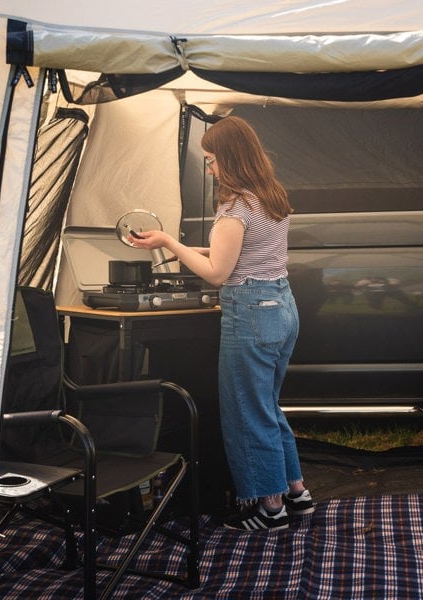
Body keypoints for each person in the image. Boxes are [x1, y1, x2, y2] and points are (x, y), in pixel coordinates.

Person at [129, 116, 314, 531]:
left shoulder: (235, 207)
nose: (209, 168)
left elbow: (216, 272)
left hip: (250, 314)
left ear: (228, 158)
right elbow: (229, 250)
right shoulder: (269, 197)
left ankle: (270, 509)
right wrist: (170, 243)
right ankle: (296, 492)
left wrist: (168, 242)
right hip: (282, 307)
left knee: (248, 413)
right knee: (267, 406)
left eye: (211, 160)